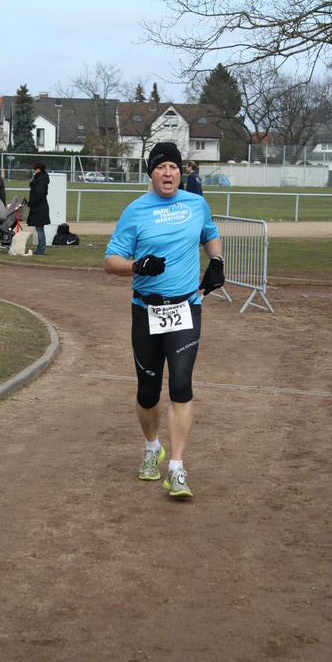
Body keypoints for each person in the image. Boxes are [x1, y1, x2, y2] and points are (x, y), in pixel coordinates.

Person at [104, 142, 225, 498]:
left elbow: (210, 236)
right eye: (161, 167)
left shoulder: (196, 204)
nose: (168, 173)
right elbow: (110, 261)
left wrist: (216, 262)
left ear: (180, 172)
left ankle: (176, 468)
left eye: (173, 166)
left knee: (181, 386)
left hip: (185, 308)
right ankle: (151, 447)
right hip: (146, 311)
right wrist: (137, 265)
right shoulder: (135, 211)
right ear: (152, 174)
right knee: (148, 392)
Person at [27, 161, 50, 255]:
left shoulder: (41, 180)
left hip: (39, 207)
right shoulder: (41, 178)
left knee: (40, 229)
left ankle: (41, 249)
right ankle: (40, 248)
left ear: (39, 169)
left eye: (35, 169)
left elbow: (39, 194)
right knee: (39, 228)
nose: (34, 171)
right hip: (40, 206)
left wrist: (32, 203)